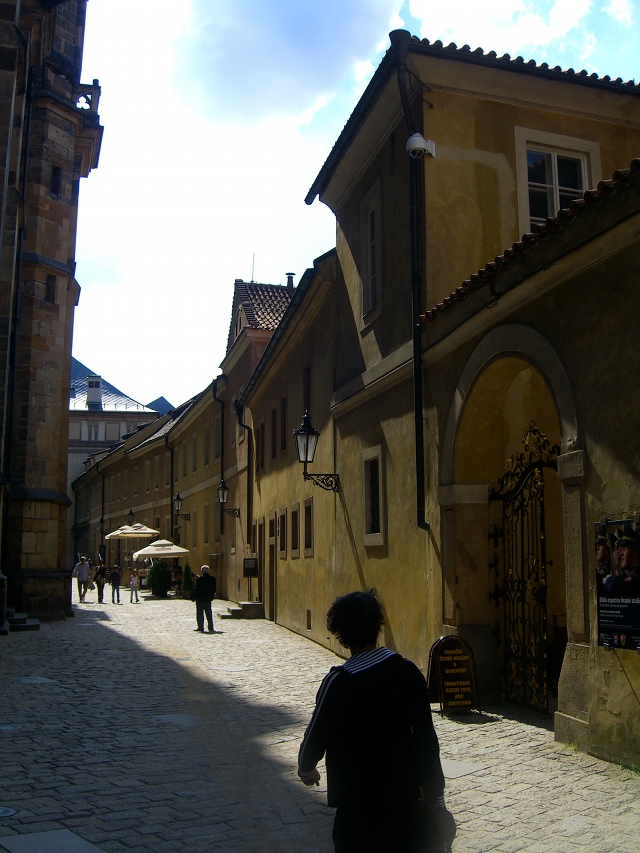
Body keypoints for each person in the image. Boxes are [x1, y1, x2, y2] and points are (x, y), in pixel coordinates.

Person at [298, 589, 452, 853]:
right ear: (377, 626)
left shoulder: (339, 682)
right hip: (406, 804)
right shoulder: (408, 672)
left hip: (358, 812)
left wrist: (306, 769)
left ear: (340, 634)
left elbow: (316, 735)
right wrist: (435, 794)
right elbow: (428, 738)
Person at [604, 527, 640, 597]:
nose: (620, 554)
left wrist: (609, 580)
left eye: (625, 549)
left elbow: (613, 587)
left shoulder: (636, 576)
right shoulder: (624, 575)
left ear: (634, 553)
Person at [193, 565, 217, 633]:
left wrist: (194, 597)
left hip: (200, 599)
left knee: (200, 613)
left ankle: (201, 627)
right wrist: (212, 596)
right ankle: (211, 627)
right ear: (208, 570)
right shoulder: (213, 579)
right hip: (208, 598)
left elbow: (197, 589)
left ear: (202, 571)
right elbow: (214, 589)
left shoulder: (200, 579)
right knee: (209, 613)